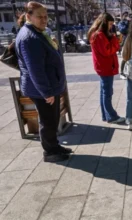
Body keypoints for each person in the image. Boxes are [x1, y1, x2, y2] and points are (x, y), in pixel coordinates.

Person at [15, 1, 72, 162]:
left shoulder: (39, 33)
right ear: (28, 16)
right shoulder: (29, 38)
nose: (44, 19)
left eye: (46, 16)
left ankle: (54, 145)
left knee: (52, 119)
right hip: (42, 89)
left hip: (48, 86)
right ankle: (50, 152)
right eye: (39, 16)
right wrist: (46, 92)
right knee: (47, 121)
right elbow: (35, 69)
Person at [88, 13, 125, 124]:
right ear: (104, 23)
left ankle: (106, 115)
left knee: (104, 91)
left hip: (104, 66)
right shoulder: (99, 35)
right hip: (106, 67)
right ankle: (111, 116)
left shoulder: (98, 34)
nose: (111, 27)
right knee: (107, 92)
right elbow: (107, 51)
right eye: (110, 24)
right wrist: (115, 40)